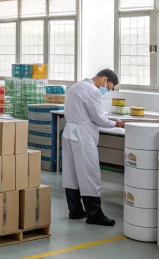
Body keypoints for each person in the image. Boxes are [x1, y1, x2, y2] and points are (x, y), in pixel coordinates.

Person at [62, 69, 125, 226]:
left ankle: (75, 210)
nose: (107, 90)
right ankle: (94, 214)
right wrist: (116, 123)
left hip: (70, 132)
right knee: (90, 173)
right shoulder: (92, 91)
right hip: (83, 135)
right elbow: (99, 118)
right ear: (104, 79)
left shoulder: (76, 86)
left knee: (72, 174)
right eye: (109, 87)